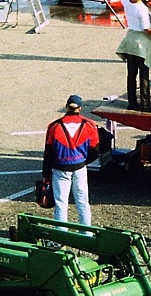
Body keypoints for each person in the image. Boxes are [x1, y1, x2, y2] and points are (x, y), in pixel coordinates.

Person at [41, 94, 99, 226]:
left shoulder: (54, 126)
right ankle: (86, 233)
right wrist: (82, 162)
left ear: (66, 107)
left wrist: (46, 175)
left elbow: (48, 153)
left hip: (60, 168)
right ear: (80, 108)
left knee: (61, 203)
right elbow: (95, 151)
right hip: (79, 168)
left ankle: (61, 236)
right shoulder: (89, 125)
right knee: (83, 201)